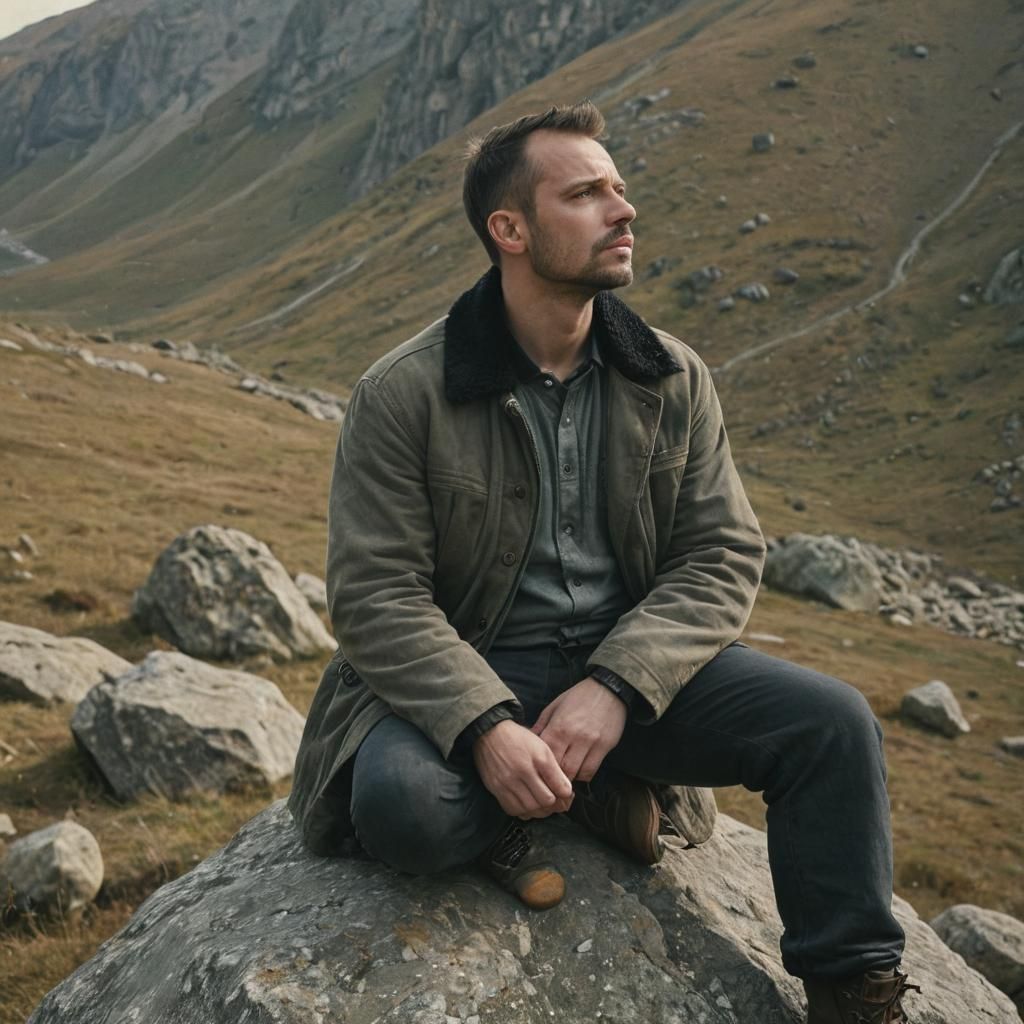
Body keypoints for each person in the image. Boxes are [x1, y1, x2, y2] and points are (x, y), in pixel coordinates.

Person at [288, 100, 917, 1023]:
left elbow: (720, 554)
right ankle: (581, 793)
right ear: (510, 230)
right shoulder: (404, 391)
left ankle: (854, 990)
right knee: (404, 809)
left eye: (619, 188)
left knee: (831, 724)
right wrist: (485, 728)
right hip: (475, 659)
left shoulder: (672, 374)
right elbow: (376, 595)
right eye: (585, 194)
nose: (623, 210)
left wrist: (618, 685)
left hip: (627, 667)